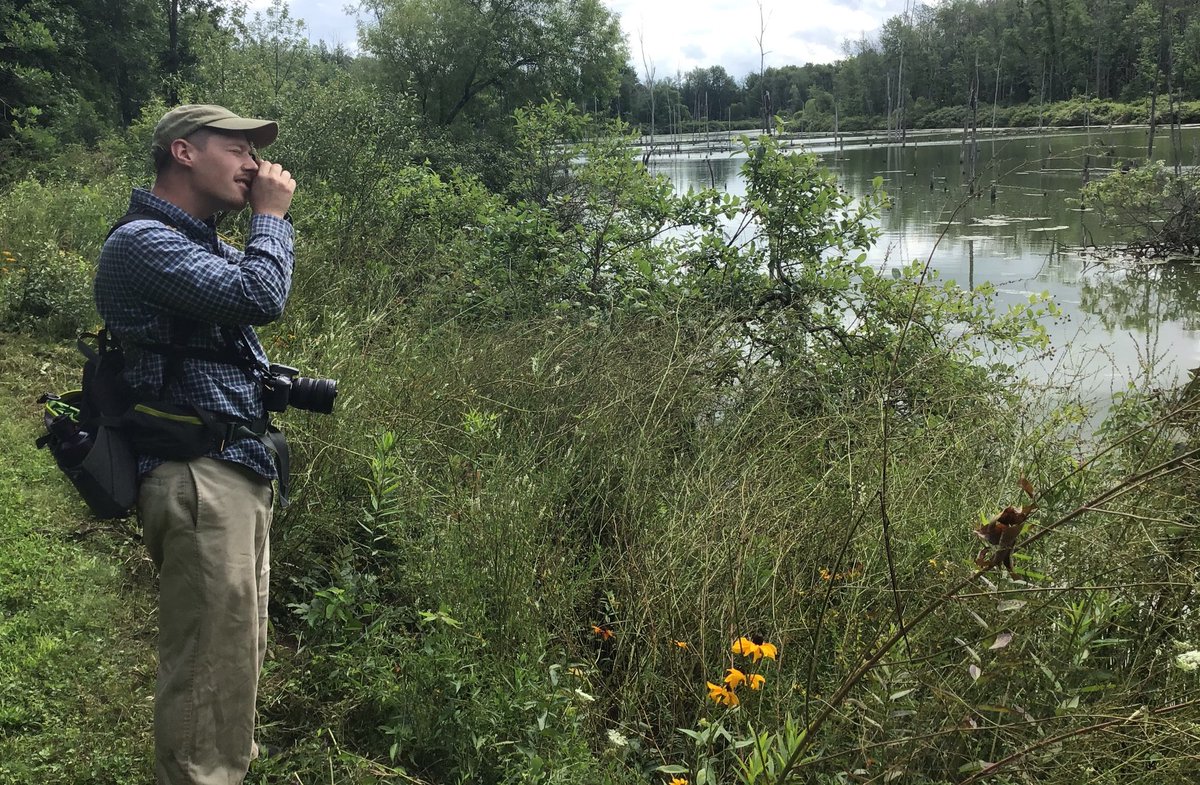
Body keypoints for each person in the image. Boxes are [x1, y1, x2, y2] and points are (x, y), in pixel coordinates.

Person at [94, 104, 297, 784]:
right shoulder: (141, 243)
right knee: (209, 670)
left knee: (232, 658)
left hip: (231, 471)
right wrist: (271, 216)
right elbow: (262, 291)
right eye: (238, 148)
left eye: (254, 153)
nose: (252, 163)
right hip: (197, 476)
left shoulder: (198, 243)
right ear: (184, 152)